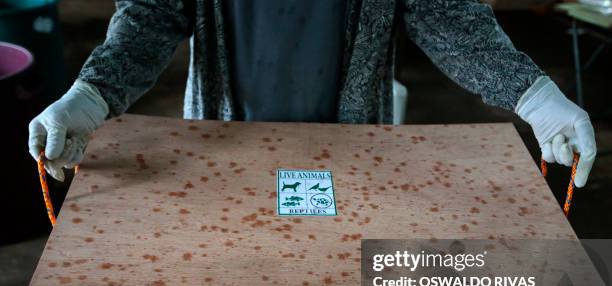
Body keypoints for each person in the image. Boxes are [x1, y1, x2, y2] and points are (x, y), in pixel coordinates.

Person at [29, 0, 596, 186]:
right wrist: (93, 92)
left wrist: (532, 93)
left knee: (343, 277)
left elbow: (443, 13)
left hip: (350, 137)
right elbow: (152, 14)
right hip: (224, 136)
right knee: (236, 277)